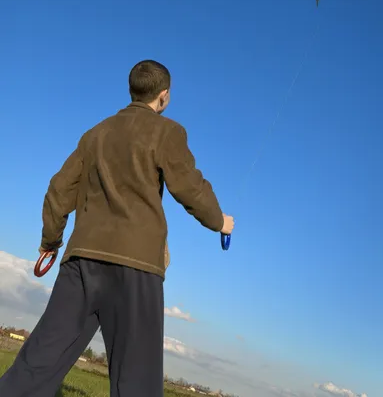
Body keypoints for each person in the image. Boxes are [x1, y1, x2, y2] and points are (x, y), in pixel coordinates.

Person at [0, 60, 234, 397]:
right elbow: (191, 188)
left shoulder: (96, 133)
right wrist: (220, 221)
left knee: (36, 365)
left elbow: (58, 190)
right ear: (164, 97)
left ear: (132, 90)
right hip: (137, 271)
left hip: (81, 264)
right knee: (136, 383)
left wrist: (50, 241)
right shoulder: (168, 132)